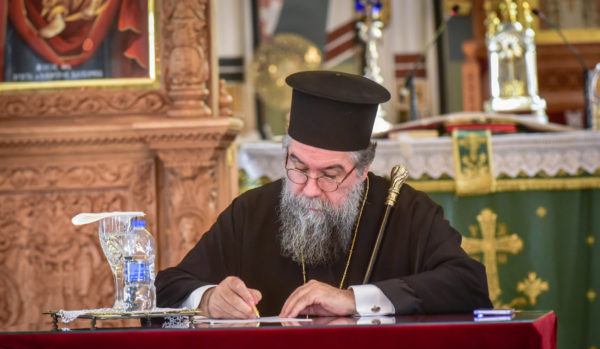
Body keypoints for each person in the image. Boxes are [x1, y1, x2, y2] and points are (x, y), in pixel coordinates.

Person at [156, 70, 492, 318]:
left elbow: (469, 285)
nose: (310, 189)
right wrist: (208, 298)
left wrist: (355, 300)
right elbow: (168, 286)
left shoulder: (406, 212)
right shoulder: (251, 212)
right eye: (299, 168)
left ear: (362, 169)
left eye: (330, 175)